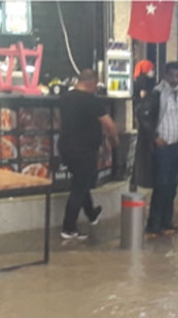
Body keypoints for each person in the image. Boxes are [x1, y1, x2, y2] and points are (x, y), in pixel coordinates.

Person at [59, 69, 118, 239]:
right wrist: (114, 141)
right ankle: (68, 227)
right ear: (92, 83)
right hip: (83, 149)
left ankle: (92, 214)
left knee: (82, 182)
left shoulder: (65, 97)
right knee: (79, 187)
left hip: (65, 146)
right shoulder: (91, 101)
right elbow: (109, 125)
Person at [146, 62, 178, 234]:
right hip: (162, 147)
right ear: (165, 75)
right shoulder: (157, 93)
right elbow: (143, 115)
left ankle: (166, 221)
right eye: (171, 75)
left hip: (175, 145)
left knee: (171, 186)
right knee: (161, 186)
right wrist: (154, 137)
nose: (175, 79)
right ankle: (154, 223)